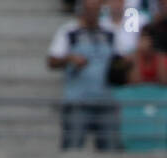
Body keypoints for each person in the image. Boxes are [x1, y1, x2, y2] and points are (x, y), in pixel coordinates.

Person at [48, 0, 122, 150]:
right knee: (72, 147)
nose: (92, 13)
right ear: (82, 10)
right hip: (78, 101)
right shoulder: (69, 31)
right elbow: (52, 60)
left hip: (105, 100)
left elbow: (119, 60)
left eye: (96, 9)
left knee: (111, 150)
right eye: (89, 9)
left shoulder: (110, 33)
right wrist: (70, 58)